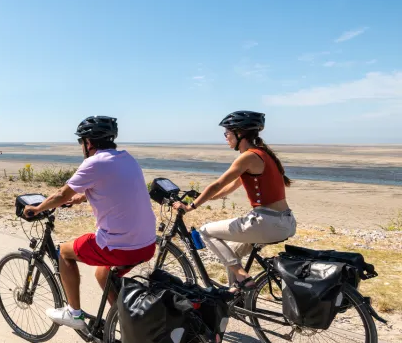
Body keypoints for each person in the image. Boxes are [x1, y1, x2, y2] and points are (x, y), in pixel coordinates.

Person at [23, 116, 156, 330]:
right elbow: (113, 187)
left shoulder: (94, 162)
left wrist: (37, 209)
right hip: (147, 244)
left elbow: (60, 194)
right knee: (102, 273)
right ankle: (125, 325)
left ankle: (73, 314)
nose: (81, 146)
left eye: (81, 142)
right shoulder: (126, 158)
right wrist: (80, 197)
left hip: (120, 247)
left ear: (89, 142)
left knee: (65, 252)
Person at [173, 111, 296, 292]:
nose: (226, 138)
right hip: (286, 222)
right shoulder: (263, 155)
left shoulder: (247, 157)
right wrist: (202, 198)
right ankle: (235, 296)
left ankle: (242, 276)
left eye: (227, 134)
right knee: (232, 251)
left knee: (206, 231)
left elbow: (218, 184)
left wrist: (190, 206)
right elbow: (228, 188)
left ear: (240, 134)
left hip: (267, 223)